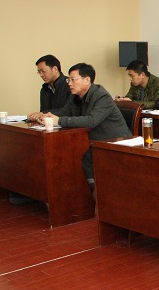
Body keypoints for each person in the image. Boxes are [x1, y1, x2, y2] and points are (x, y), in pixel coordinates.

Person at [30, 63, 131, 199]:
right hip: (92, 139)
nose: (69, 83)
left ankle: (95, 192)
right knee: (67, 153)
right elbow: (64, 112)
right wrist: (46, 115)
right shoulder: (75, 96)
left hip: (114, 141)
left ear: (87, 80)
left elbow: (91, 121)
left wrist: (58, 121)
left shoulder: (102, 96)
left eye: (73, 79)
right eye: (68, 80)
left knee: (82, 156)